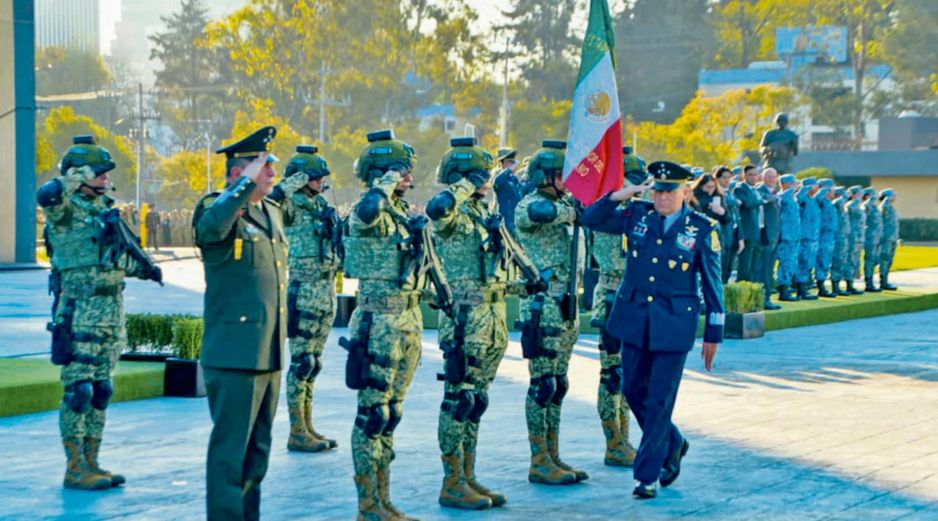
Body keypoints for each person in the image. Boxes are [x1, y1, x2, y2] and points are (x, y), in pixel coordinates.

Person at [581, 161, 724, 500]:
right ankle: (673, 441)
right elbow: (591, 219)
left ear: (685, 192)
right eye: (657, 190)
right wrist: (621, 195)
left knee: (660, 399)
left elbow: (713, 283)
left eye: (669, 191)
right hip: (634, 321)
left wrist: (713, 334)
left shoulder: (702, 229)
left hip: (673, 325)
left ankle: (647, 476)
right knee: (631, 390)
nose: (661, 198)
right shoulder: (637, 216)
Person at [38, 135, 162, 491]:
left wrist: (146, 269)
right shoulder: (64, 209)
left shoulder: (105, 211)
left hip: (110, 311)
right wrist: (75, 175)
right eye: (100, 172)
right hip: (79, 311)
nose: (107, 179)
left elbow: (117, 257)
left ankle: (93, 461)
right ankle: (74, 466)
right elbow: (46, 194)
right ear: (79, 174)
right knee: (79, 391)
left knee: (101, 389)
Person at [342, 129, 439, 521]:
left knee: (392, 412)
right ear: (382, 174)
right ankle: (367, 505)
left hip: (406, 319)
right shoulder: (368, 210)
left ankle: (383, 499)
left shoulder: (400, 213)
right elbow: (366, 213)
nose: (408, 177)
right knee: (372, 413)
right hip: (377, 321)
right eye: (401, 171)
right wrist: (384, 182)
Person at [193, 126, 286, 521]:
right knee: (230, 455)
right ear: (238, 172)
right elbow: (209, 229)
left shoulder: (271, 212)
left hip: (268, 351)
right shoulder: (218, 208)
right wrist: (241, 188)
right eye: (262, 166)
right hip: (234, 355)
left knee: (257, 454)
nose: (271, 173)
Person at [428, 137, 517, 510]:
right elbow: (438, 210)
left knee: (476, 401)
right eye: (479, 175)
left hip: (491, 318)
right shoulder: (453, 212)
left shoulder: (482, 212)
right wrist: (464, 185)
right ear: (460, 177)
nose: (487, 181)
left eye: (488, 174)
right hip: (465, 319)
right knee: (458, 400)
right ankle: (451, 482)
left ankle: (468, 474)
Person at [515, 140, 588, 485]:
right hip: (542, 307)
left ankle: (553, 454)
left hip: (565, 305)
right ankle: (538, 459)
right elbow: (538, 215)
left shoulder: (565, 203)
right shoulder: (531, 205)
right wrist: (574, 209)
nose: (566, 182)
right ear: (544, 177)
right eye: (561, 176)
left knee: (558, 384)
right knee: (542, 384)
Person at [267, 145, 342, 453]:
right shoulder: (290, 205)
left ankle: (308, 426)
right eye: (315, 177)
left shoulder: (320, 204)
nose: (321, 182)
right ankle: (297, 430)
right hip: (303, 291)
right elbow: (270, 203)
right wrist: (291, 183)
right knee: (302, 362)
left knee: (314, 364)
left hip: (325, 290)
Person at [590, 151, 647, 470]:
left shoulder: (636, 211)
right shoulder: (609, 211)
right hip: (612, 294)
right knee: (612, 374)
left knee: (629, 373)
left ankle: (624, 437)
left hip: (634, 296)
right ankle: (613, 441)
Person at [734, 165, 765, 284]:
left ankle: (752, 294)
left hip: (757, 231)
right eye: (750, 175)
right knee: (744, 266)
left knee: (754, 267)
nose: (753, 177)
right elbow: (747, 203)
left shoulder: (755, 190)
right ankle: (741, 292)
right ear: (744, 176)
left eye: (755, 175)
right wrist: (760, 200)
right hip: (747, 232)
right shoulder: (740, 188)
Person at [758, 168, 782, 309]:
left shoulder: (775, 193)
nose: (772, 179)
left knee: (769, 269)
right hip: (765, 236)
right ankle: (763, 299)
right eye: (769, 176)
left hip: (775, 236)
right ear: (763, 177)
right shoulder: (760, 191)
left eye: (774, 177)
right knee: (763, 269)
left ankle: (767, 297)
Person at [775, 175, 801, 301]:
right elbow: (782, 197)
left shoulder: (792, 198)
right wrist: (792, 189)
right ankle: (783, 289)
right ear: (785, 184)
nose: (794, 186)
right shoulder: (782, 196)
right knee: (785, 263)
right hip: (786, 236)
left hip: (793, 236)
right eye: (792, 183)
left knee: (791, 263)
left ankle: (787, 286)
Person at [714, 166, 742, 283]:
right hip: (723, 231)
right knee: (722, 262)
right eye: (724, 178)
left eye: (729, 178)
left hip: (733, 231)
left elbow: (737, 215)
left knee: (729, 265)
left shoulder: (729, 193)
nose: (727, 180)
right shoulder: (717, 194)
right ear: (717, 179)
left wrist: (741, 236)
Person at [795, 177, 820, 300]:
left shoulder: (813, 200)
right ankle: (801, 290)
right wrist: (803, 190)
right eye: (814, 185)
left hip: (813, 237)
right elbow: (798, 199)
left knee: (809, 263)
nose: (817, 187)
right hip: (805, 237)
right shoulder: (803, 199)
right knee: (803, 263)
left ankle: (805, 287)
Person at [814, 179, 838, 298]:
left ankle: (822, 284)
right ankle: (820, 286)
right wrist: (822, 191)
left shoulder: (829, 202)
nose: (833, 192)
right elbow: (816, 199)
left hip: (830, 236)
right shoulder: (821, 201)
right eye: (831, 189)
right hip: (822, 236)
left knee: (826, 261)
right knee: (822, 261)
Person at [492, 147, 522, 234]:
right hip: (504, 222)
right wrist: (508, 170)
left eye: (513, 162)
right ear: (502, 163)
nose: (513, 164)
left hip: (514, 220)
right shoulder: (498, 177)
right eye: (509, 162)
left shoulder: (513, 178)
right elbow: (498, 182)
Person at [830, 186, 852, 296]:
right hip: (838, 238)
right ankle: (835, 286)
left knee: (842, 261)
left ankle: (838, 285)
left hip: (843, 238)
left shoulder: (842, 207)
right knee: (837, 262)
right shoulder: (836, 204)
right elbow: (840, 201)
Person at [862, 187, 883, 292]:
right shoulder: (866, 206)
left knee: (875, 260)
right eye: (872, 195)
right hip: (870, 237)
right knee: (869, 260)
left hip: (877, 237)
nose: (875, 197)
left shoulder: (875, 207)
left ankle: (871, 280)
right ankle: (868, 283)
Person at [846, 186, 866, 294]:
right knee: (850, 260)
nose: (861, 196)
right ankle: (849, 284)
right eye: (858, 194)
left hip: (859, 237)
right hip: (852, 237)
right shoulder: (850, 205)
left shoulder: (858, 206)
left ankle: (851, 283)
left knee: (855, 261)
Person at [878, 189, 900, 290]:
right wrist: (886, 199)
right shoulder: (884, 206)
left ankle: (886, 281)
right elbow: (883, 207)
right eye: (893, 195)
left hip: (892, 238)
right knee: (884, 259)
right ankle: (883, 282)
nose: (895, 197)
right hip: (886, 238)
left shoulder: (891, 207)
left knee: (889, 260)